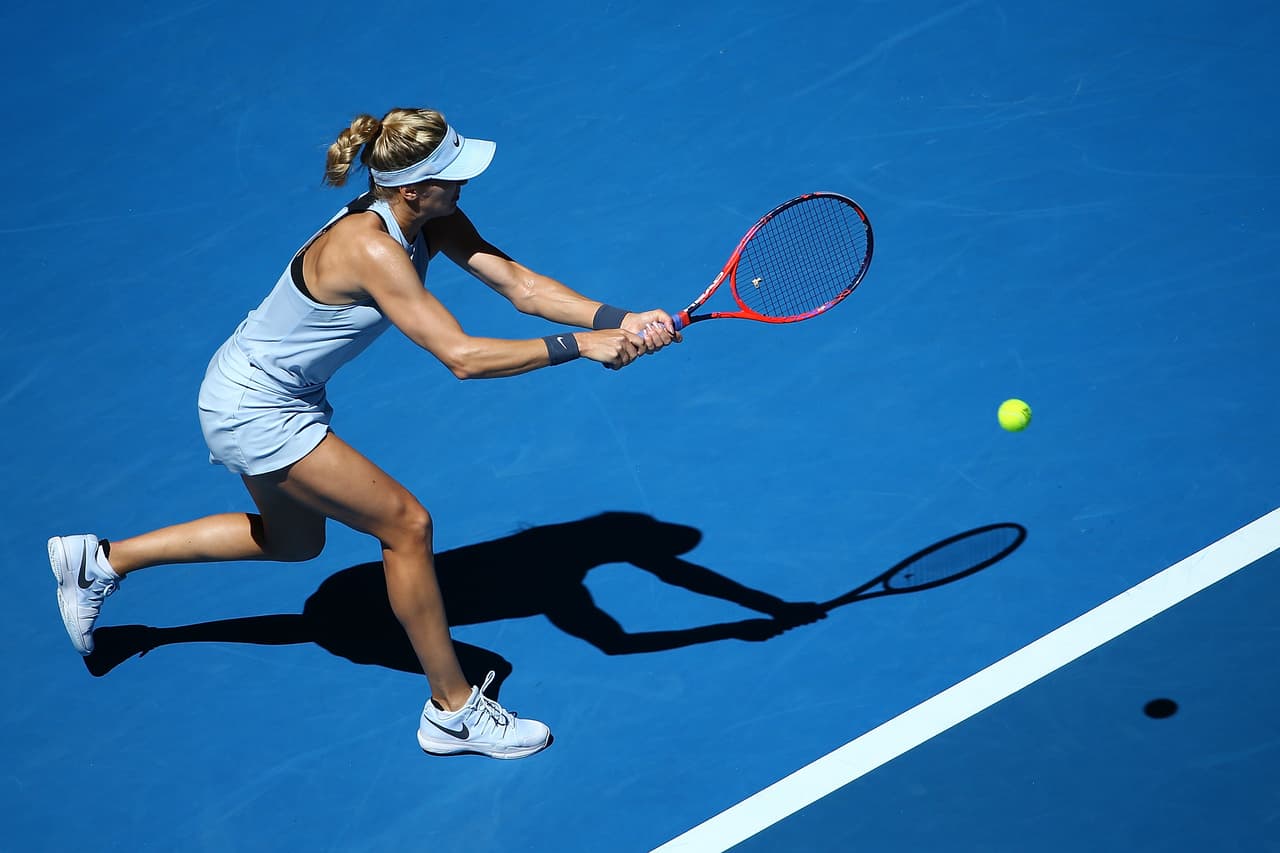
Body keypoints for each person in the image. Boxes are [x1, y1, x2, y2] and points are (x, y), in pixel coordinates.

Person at [47, 106, 680, 760]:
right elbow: (461, 357)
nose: (464, 184)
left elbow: (519, 285)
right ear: (412, 189)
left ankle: (101, 561)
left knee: (293, 542)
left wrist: (624, 318)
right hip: (255, 407)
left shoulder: (428, 214)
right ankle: (453, 710)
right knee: (407, 524)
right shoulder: (371, 248)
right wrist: (581, 344)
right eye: (453, 176)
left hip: (258, 386)